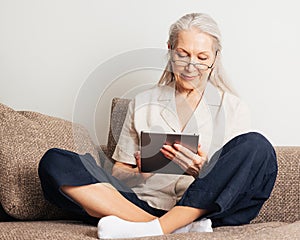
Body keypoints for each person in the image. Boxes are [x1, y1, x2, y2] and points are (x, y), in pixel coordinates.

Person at [38, 13, 277, 239]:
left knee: (258, 146)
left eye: (202, 58)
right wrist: (141, 172)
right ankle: (165, 227)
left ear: (215, 58)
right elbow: (119, 173)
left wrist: (202, 171)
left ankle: (160, 226)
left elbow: (237, 175)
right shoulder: (142, 103)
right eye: (183, 54)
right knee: (55, 161)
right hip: (142, 203)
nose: (191, 66)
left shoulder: (233, 108)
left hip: (205, 210)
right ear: (170, 50)